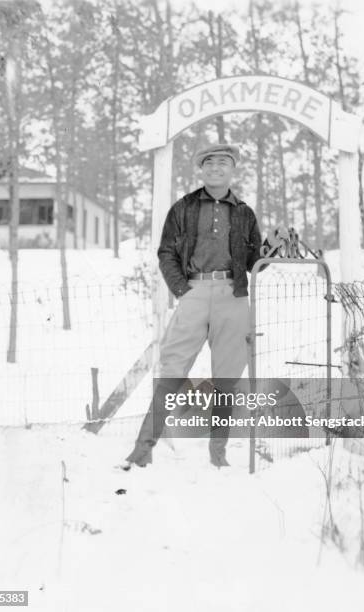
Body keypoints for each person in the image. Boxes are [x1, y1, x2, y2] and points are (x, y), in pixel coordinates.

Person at [122, 143, 266, 469]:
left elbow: (256, 262)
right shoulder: (184, 208)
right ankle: (142, 450)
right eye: (209, 163)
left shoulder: (244, 212)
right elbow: (166, 253)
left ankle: (219, 455)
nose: (216, 168)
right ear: (201, 169)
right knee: (172, 369)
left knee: (227, 377)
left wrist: (270, 248)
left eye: (223, 163)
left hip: (234, 295)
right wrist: (182, 290)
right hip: (195, 292)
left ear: (233, 169)